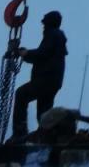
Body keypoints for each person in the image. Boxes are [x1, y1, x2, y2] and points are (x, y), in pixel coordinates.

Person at [11, 10, 68, 140]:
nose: (43, 26)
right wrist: (26, 55)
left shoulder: (52, 35)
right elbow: (44, 56)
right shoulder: (58, 37)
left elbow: (42, 54)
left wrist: (25, 54)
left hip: (45, 81)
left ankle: (19, 133)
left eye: (44, 24)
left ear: (48, 24)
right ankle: (46, 137)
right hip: (53, 82)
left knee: (21, 94)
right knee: (44, 114)